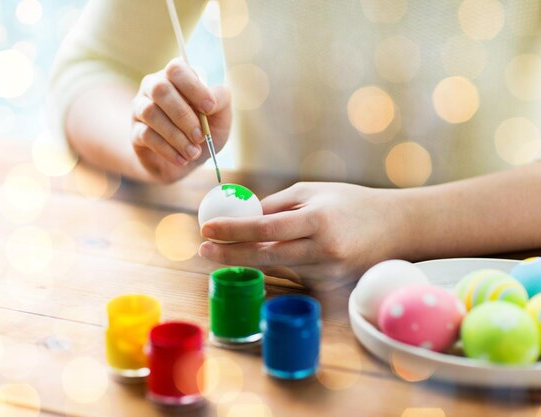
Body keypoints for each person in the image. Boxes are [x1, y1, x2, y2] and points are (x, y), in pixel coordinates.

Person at [49, 0, 541, 288]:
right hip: (269, 291)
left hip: (489, 291)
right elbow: (89, 69)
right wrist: (149, 143)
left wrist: (399, 222)